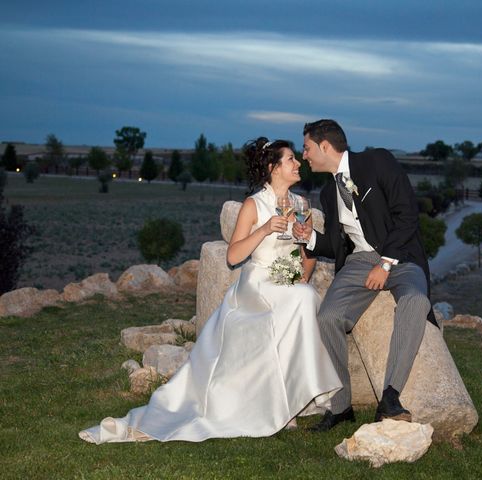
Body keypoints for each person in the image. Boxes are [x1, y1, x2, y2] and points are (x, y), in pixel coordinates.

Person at [79, 137, 341, 444]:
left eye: (297, 159)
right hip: (256, 285)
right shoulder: (253, 205)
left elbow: (306, 252)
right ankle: (287, 405)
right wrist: (265, 229)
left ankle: (290, 404)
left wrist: (302, 276)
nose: (298, 164)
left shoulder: (301, 205)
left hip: (287, 285)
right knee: (302, 300)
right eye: (291, 160)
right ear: (273, 168)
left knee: (304, 296)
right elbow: (233, 256)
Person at [293, 119, 438, 432]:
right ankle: (341, 406)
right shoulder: (329, 194)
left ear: (325, 146)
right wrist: (310, 238)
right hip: (358, 263)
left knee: (415, 300)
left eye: (306, 148)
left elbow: (407, 214)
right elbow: (337, 244)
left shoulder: (377, 161)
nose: (304, 155)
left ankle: (390, 397)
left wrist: (385, 263)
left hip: (400, 257)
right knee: (328, 317)